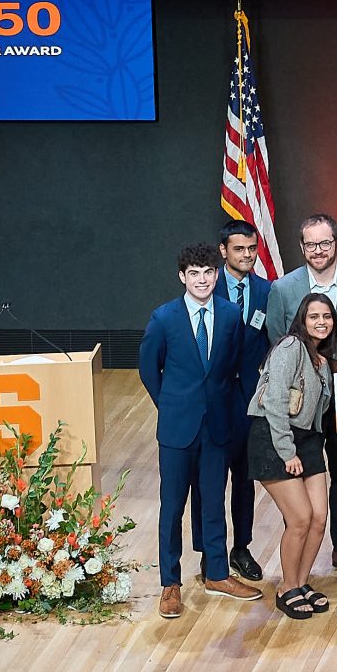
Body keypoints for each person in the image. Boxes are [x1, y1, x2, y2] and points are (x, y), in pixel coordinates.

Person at [137, 242, 260, 618]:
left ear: (216, 274)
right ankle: (170, 584)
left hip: (217, 426)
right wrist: (172, 405)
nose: (202, 280)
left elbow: (235, 367)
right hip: (177, 429)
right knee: (172, 507)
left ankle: (218, 573)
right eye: (194, 274)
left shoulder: (229, 315)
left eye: (208, 273)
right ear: (182, 277)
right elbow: (148, 369)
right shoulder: (163, 318)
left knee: (213, 503)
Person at [266, 214, 337, 582]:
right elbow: (279, 338)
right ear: (302, 247)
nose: (319, 250)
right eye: (311, 244)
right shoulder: (283, 288)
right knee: (298, 480)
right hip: (300, 405)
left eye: (325, 243)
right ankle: (296, 552)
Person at [249, 290, 337, 619]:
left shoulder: (322, 359)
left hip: (309, 440)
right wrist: (287, 451)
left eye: (327, 316)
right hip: (276, 439)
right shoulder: (291, 346)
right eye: (314, 316)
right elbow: (274, 401)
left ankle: (301, 583)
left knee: (319, 518)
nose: (321, 322)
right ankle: (286, 587)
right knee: (300, 518)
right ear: (302, 320)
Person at [214, 220, 273, 582]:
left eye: (252, 249)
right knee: (211, 479)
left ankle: (242, 547)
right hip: (216, 400)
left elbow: (271, 340)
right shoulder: (207, 287)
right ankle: (212, 552)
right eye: (239, 249)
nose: (247, 255)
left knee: (244, 479)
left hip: (250, 400)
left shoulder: (267, 291)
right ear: (224, 251)